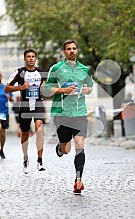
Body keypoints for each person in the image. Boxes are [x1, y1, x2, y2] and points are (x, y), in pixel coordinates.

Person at [43, 39, 93, 193]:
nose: (72, 51)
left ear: (77, 51)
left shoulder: (84, 69)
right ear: (64, 52)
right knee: (66, 149)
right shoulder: (56, 68)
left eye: (74, 48)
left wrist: (87, 90)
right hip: (62, 113)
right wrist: (61, 91)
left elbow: (90, 86)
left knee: (79, 144)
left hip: (79, 112)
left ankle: (78, 180)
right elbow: (46, 88)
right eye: (69, 49)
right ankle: (61, 145)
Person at [4, 48, 45, 173]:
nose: (31, 58)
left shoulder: (40, 72)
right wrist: (21, 87)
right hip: (25, 106)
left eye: (33, 56)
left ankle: (40, 160)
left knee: (39, 129)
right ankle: (26, 158)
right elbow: (7, 88)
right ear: (25, 59)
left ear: (35, 58)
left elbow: (45, 86)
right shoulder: (20, 72)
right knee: (25, 134)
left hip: (38, 103)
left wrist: (44, 88)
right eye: (29, 56)